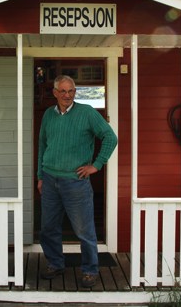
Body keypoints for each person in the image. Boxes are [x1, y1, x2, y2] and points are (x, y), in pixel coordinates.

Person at [37, 75, 117, 288]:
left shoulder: (87, 113)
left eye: (71, 91)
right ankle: (55, 263)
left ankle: (90, 270)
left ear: (75, 92)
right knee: (48, 228)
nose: (67, 95)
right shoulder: (48, 115)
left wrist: (97, 165)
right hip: (50, 179)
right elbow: (42, 146)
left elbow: (110, 137)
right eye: (62, 91)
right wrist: (40, 176)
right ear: (55, 93)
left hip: (76, 182)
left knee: (84, 230)